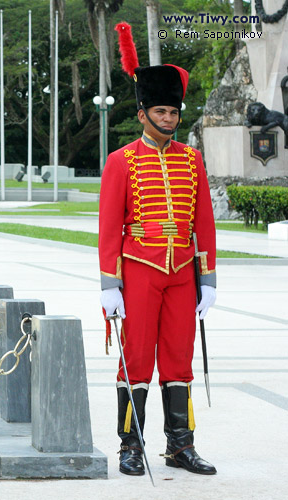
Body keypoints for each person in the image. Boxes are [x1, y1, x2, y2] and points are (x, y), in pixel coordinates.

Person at [98, 22, 217, 477]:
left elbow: (202, 223)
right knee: (137, 359)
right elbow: (109, 229)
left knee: (178, 359)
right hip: (140, 271)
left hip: (183, 273)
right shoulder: (121, 160)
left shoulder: (192, 159)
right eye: (161, 111)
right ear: (143, 113)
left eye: (174, 112)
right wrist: (111, 286)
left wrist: (206, 280)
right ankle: (131, 445)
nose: (169, 119)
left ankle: (180, 447)